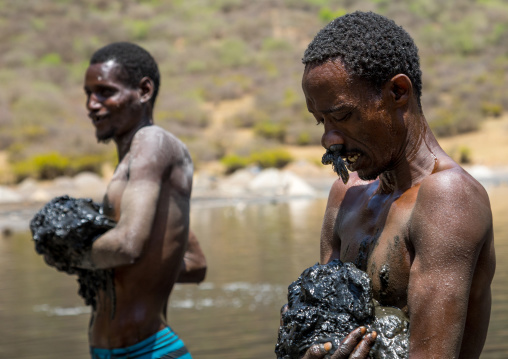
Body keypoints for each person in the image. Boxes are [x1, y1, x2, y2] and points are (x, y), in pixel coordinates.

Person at [296, 11, 496, 359]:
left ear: (398, 92)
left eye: (342, 116)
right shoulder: (346, 194)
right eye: (321, 122)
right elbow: (325, 326)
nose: (330, 140)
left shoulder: (448, 198)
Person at [78, 42, 206, 359]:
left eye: (105, 92)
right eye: (88, 93)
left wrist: (70, 252)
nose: (91, 104)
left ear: (144, 90)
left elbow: (128, 244)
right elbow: (195, 264)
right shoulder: (129, 165)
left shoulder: (153, 141)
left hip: (148, 351)